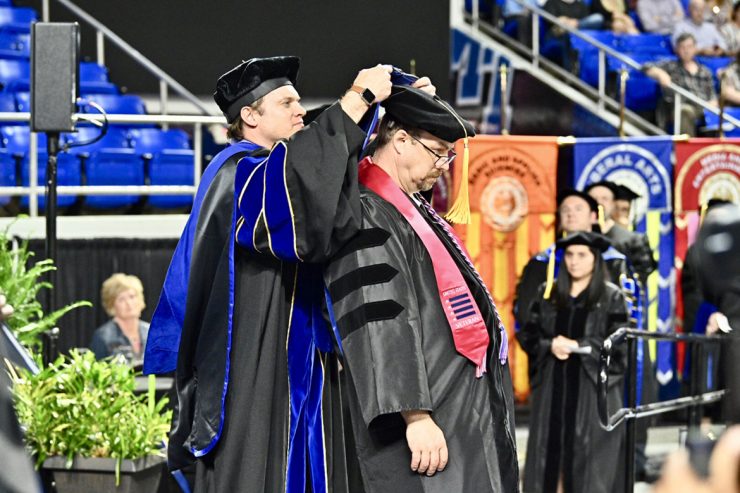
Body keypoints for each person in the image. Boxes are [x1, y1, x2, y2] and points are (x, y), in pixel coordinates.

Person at [143, 56, 405, 492]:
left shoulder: (278, 165)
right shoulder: (236, 171)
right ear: (249, 115)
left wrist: (389, 110)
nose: (300, 110)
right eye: (287, 103)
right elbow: (295, 190)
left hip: (308, 354)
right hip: (256, 356)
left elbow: (319, 175)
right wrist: (357, 100)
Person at [323, 85, 519, 492]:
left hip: (457, 405)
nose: (445, 165)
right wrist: (414, 415)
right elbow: (380, 319)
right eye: (438, 152)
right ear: (400, 141)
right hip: (427, 416)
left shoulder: (412, 209)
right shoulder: (367, 213)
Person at [518, 231, 629, 493]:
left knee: (586, 461)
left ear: (595, 259)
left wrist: (579, 345)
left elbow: (620, 345)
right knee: (549, 456)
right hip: (553, 386)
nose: (574, 261)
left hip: (590, 389)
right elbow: (528, 335)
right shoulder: (548, 292)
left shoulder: (611, 296)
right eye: (569, 254)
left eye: (581, 255)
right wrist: (550, 345)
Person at [514, 189, 629, 331]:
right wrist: (548, 343)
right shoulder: (541, 263)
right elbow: (525, 313)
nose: (571, 213)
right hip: (551, 343)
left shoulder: (613, 261)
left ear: (593, 216)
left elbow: (623, 319)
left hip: (601, 343)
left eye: (578, 209)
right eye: (565, 209)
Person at [645, 33, 718, 136]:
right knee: (685, 111)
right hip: (679, 105)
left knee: (723, 113)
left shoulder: (705, 71)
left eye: (689, 47)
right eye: (682, 47)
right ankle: (687, 146)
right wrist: (660, 73)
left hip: (703, 106)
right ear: (677, 50)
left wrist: (713, 104)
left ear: (695, 48)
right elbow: (646, 67)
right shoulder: (671, 66)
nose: (686, 50)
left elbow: (712, 96)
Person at [585, 181, 657, 283]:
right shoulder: (579, 237)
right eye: (594, 198)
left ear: (613, 204)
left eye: (604, 198)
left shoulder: (632, 239)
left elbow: (641, 274)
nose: (599, 203)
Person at [89, 273, 149, 366]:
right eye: (121, 299)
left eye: (132, 297)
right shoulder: (102, 337)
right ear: (112, 305)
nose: (129, 303)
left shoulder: (151, 331)